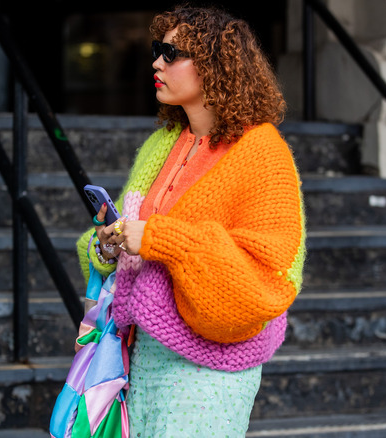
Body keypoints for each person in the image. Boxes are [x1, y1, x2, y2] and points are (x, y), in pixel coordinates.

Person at [74, 6, 306, 437]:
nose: (156, 63)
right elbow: (124, 230)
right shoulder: (162, 144)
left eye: (171, 54)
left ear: (216, 65)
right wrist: (106, 243)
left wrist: (159, 238)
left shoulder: (262, 152)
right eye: (156, 51)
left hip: (210, 367)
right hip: (140, 354)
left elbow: (268, 274)